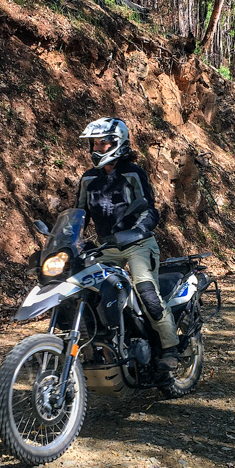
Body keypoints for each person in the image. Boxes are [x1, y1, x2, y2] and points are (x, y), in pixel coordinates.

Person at [75, 117, 179, 376]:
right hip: (106, 247)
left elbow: (150, 210)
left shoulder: (133, 173)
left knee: (146, 292)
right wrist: (72, 241)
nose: (97, 148)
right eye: (94, 144)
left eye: (102, 143)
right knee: (90, 293)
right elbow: (79, 213)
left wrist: (139, 230)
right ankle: (103, 348)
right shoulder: (89, 179)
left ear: (117, 142)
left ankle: (170, 349)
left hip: (137, 245)